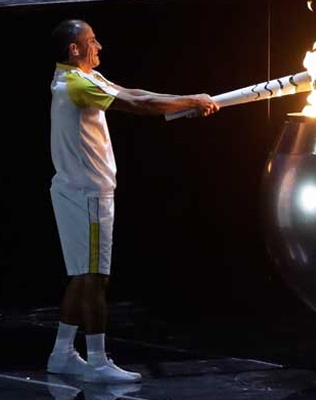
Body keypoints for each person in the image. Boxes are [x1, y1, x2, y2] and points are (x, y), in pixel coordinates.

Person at [46, 18, 219, 384]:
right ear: (74, 49)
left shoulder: (81, 78)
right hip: (88, 195)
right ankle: (97, 362)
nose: (99, 46)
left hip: (79, 191)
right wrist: (192, 100)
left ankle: (61, 355)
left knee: (82, 275)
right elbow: (137, 103)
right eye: (92, 41)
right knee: (95, 278)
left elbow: (134, 92)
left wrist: (184, 105)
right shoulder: (77, 84)